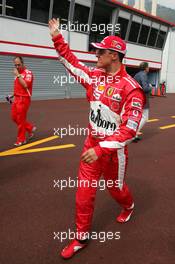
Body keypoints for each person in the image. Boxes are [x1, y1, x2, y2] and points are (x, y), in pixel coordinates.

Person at [48, 18, 145, 259]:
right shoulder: (94, 76)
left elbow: (129, 130)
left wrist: (102, 149)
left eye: (100, 50)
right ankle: (81, 237)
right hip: (91, 145)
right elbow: (71, 63)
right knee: (83, 193)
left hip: (113, 153)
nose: (95, 53)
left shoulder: (131, 88)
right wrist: (57, 38)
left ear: (114, 55)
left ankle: (129, 205)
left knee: (116, 189)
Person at [12, 56, 36, 146]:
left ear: (22, 63)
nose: (17, 67)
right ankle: (30, 128)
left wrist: (18, 75)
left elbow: (25, 85)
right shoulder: (17, 73)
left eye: (19, 65)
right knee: (14, 117)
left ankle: (21, 139)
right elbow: (16, 85)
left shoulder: (28, 73)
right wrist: (13, 95)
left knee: (21, 120)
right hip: (17, 98)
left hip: (24, 99)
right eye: (15, 65)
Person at [133, 62, 152, 141]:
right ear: (145, 68)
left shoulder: (136, 75)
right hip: (143, 99)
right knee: (145, 117)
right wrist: (150, 86)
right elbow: (145, 88)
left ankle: (134, 134)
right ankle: (134, 133)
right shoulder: (144, 75)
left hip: (136, 98)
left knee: (137, 117)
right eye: (148, 67)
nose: (148, 68)